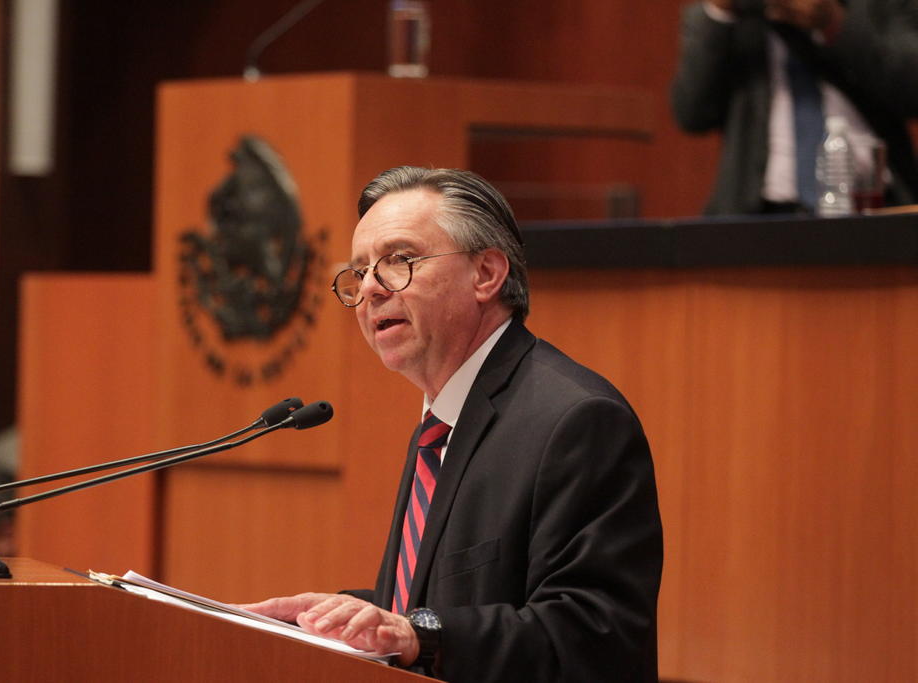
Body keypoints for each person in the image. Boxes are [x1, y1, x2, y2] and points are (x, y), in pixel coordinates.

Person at [241, 167, 663, 681]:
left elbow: (595, 636)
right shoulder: (444, 421)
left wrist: (417, 635)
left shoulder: (576, 421)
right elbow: (456, 603)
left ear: (486, 274)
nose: (370, 288)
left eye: (399, 260)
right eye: (360, 270)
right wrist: (345, 617)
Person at [671, 0, 918, 215]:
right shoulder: (734, 16)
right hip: (760, 211)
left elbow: (911, 87)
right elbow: (692, 113)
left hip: (873, 201)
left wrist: (834, 25)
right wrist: (720, 10)